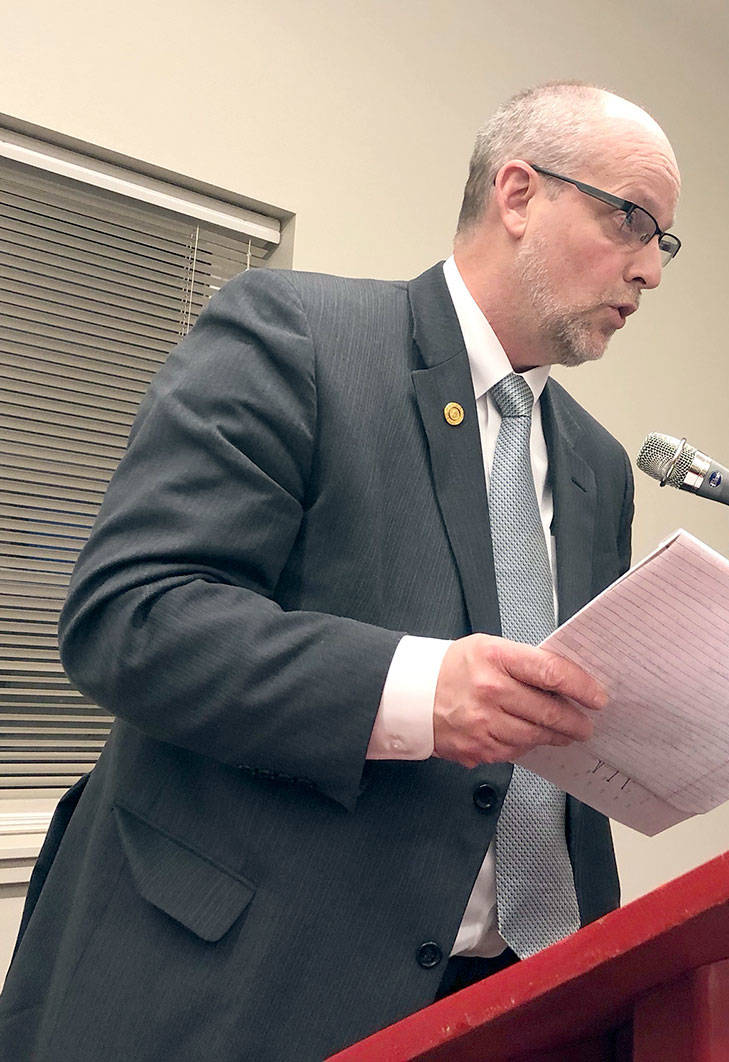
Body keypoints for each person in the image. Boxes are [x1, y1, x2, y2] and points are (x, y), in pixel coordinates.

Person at [0, 81, 681, 1060]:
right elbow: (133, 618)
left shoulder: (596, 467)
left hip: (522, 1006)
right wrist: (417, 692)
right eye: (631, 220)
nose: (650, 268)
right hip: (255, 994)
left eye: (664, 242)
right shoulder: (295, 334)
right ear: (518, 193)